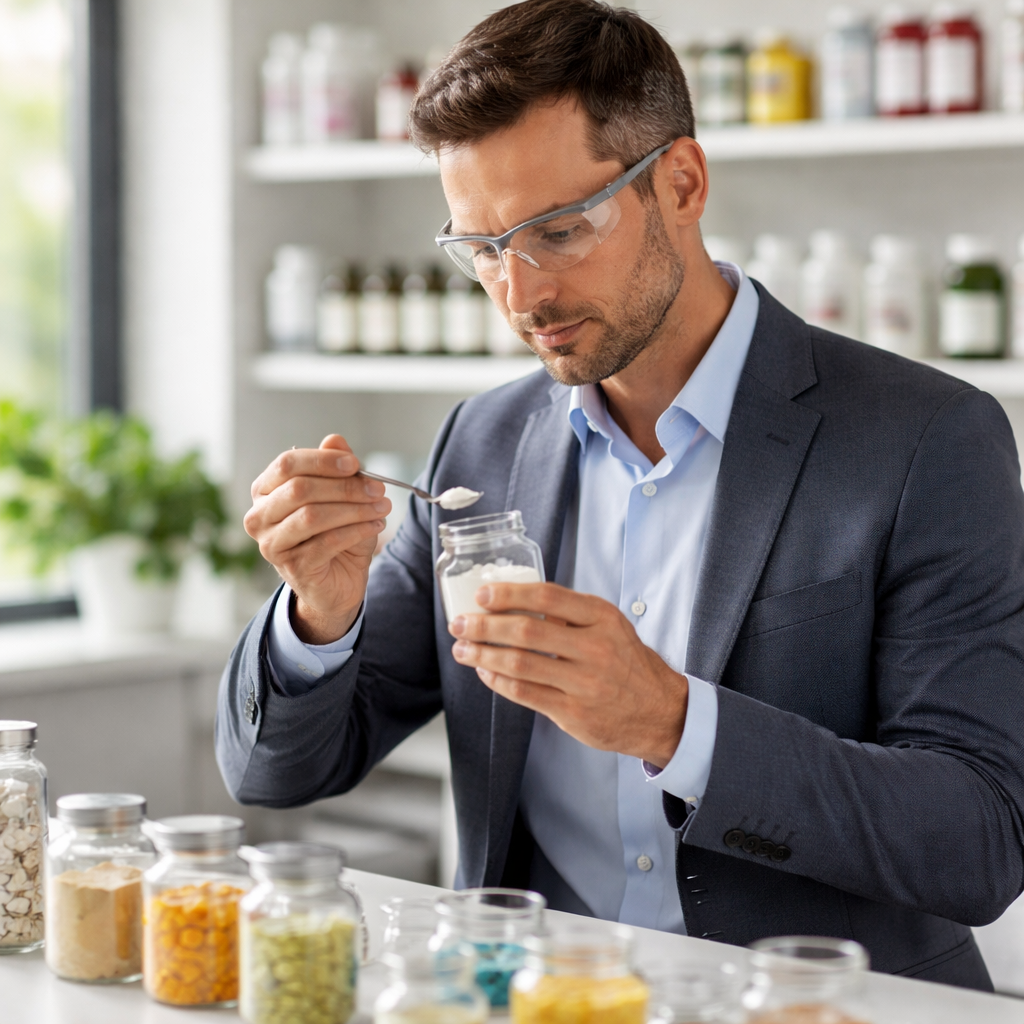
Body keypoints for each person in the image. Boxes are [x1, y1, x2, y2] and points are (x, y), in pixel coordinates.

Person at [217, 0, 1024, 989]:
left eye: (557, 230)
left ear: (680, 183)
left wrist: (673, 723)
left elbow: (978, 837)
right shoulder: (484, 440)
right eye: (481, 249)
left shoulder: (924, 439)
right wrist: (318, 612)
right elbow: (276, 773)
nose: (520, 296)